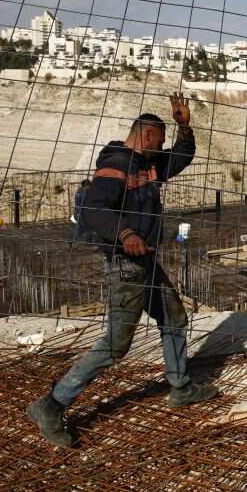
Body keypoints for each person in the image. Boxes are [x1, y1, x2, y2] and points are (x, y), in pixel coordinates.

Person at [26, 93, 218, 447]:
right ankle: (51, 406)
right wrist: (126, 233)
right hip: (127, 267)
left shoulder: (148, 165)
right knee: (116, 345)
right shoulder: (116, 165)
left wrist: (184, 128)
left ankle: (180, 387)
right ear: (147, 136)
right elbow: (93, 210)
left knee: (173, 318)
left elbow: (180, 158)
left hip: (145, 264)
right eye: (159, 141)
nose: (161, 148)